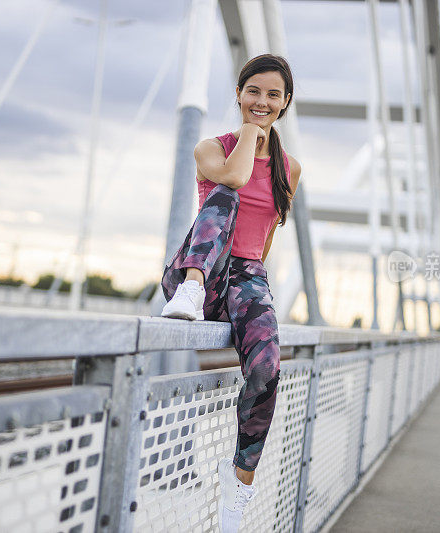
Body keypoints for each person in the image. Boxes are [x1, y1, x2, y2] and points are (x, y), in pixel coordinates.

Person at [159, 53, 301, 532]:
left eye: (273, 95)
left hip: (248, 277)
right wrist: (249, 135)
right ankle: (191, 290)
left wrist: (254, 282)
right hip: (203, 266)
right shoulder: (211, 148)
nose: (262, 101)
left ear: (284, 104)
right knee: (225, 194)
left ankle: (239, 483)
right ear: (239, 94)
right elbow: (236, 178)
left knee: (266, 371)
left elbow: (266, 238)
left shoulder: (290, 169)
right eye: (253, 91)